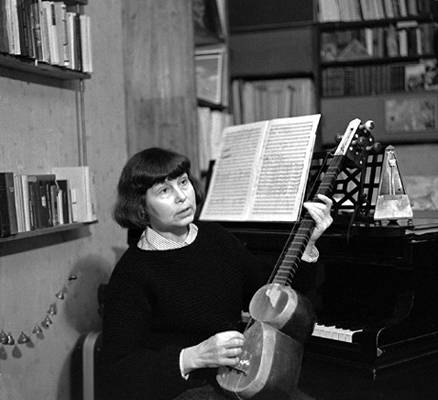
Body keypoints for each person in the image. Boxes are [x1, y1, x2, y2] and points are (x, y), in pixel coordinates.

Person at [101, 147, 333, 400]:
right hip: (180, 390)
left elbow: (270, 295)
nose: (182, 196)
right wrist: (194, 356)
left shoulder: (216, 238)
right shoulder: (132, 272)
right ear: (141, 206)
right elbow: (118, 369)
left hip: (238, 378)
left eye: (183, 182)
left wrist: (308, 244)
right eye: (164, 191)